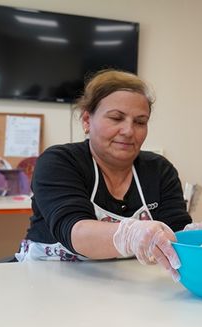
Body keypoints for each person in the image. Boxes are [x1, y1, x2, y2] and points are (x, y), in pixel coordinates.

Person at [16, 69, 191, 282]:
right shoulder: (59, 162)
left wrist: (200, 235)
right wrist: (129, 235)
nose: (128, 131)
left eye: (140, 122)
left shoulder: (159, 170)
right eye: (116, 118)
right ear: (87, 120)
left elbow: (177, 234)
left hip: (129, 283)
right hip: (48, 280)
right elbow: (74, 231)